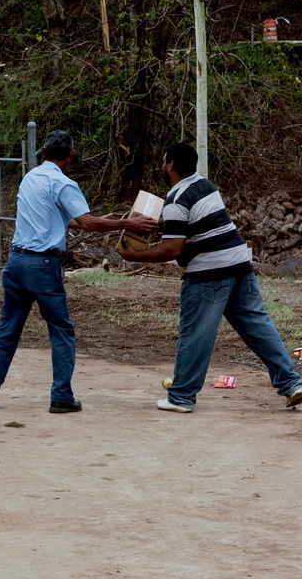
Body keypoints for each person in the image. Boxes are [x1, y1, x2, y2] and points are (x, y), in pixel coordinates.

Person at [0, 130, 157, 413]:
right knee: (61, 331)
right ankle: (61, 397)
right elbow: (85, 223)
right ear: (70, 156)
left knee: (7, 327)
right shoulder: (63, 183)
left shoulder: (30, 178)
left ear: (44, 153)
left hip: (16, 262)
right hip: (43, 266)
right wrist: (127, 225)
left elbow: (58, 220)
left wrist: (94, 221)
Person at [118, 142, 302, 412]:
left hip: (209, 273)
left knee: (196, 334)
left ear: (170, 165)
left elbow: (173, 248)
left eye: (163, 162)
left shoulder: (176, 198)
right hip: (240, 264)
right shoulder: (205, 186)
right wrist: (163, 224)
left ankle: (180, 396)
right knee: (258, 326)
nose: (162, 166)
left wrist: (133, 256)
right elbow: (196, 223)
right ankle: (291, 383)